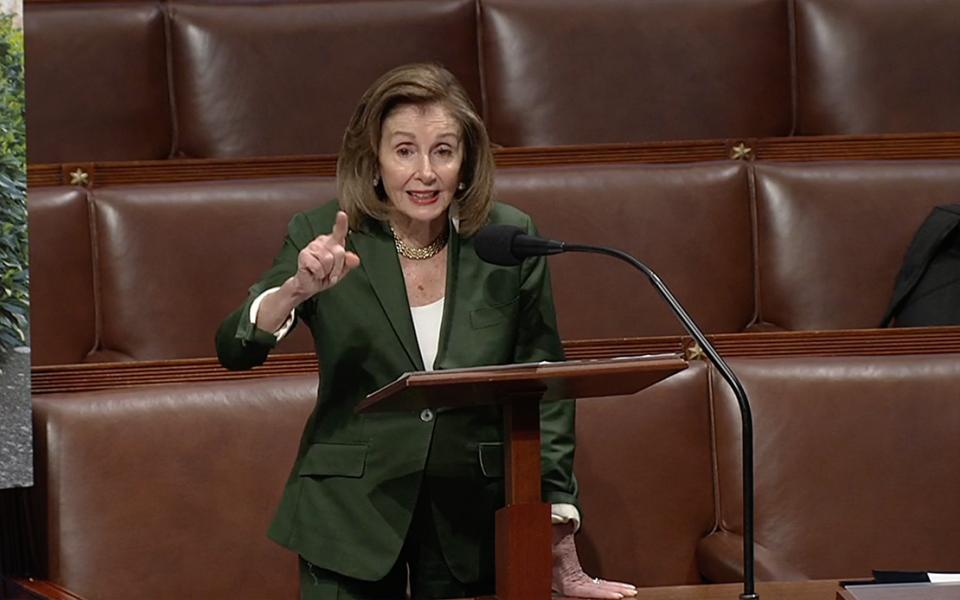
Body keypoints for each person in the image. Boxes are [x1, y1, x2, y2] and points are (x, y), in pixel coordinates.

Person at [216, 63, 637, 600]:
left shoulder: (507, 239)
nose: (426, 173)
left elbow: (545, 387)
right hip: (350, 515)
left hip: (472, 517)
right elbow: (233, 347)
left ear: (466, 162)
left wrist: (551, 522)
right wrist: (294, 292)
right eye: (405, 151)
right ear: (374, 161)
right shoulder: (322, 234)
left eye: (443, 150)